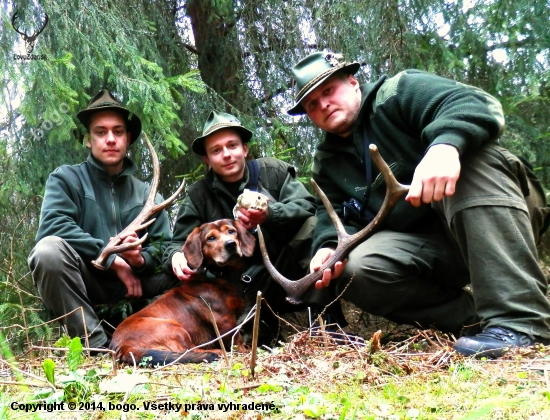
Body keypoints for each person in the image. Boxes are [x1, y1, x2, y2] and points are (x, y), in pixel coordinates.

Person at [287, 50, 550, 358]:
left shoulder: (398, 92)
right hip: (436, 248)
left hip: (502, 212)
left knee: (469, 161)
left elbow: (475, 104)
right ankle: (479, 325)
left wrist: (445, 146)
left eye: (328, 91)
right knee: (357, 267)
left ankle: (521, 322)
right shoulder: (329, 163)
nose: (323, 105)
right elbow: (330, 213)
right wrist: (328, 244)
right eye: (312, 104)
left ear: (354, 83)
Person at [162, 110, 345, 342]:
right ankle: (250, 332)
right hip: (241, 282)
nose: (226, 155)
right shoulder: (199, 196)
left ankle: (327, 318)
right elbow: (177, 243)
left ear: (245, 149)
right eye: (216, 150)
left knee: (310, 227)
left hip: (286, 264)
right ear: (207, 160)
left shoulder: (273, 172)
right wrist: (176, 257)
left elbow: (308, 206)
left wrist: (269, 215)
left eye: (232, 146)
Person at [28, 90, 179, 350]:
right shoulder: (66, 179)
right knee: (47, 252)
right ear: (88, 139)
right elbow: (54, 226)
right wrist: (112, 259)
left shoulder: (147, 194)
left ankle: (174, 339)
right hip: (90, 279)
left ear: (128, 138)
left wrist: (139, 259)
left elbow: (164, 247)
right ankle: (98, 347)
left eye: (118, 132)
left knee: (187, 267)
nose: (110, 139)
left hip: (140, 283)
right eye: (100, 132)